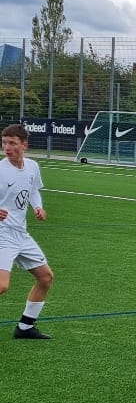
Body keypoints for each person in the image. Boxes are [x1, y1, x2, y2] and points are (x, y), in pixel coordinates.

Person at [0, 124, 55, 339]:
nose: (7, 147)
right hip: (2, 234)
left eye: (12, 143)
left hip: (21, 234)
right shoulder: (1, 170)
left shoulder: (32, 166)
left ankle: (25, 327)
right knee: (2, 286)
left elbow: (33, 191)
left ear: (25, 145)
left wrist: (38, 207)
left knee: (45, 277)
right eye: (4, 143)